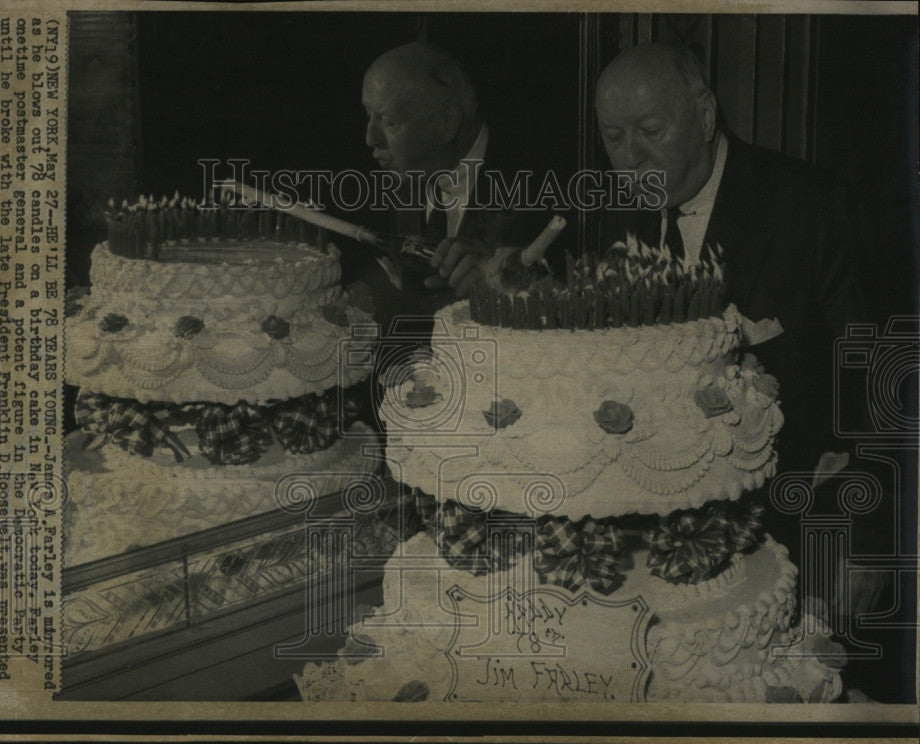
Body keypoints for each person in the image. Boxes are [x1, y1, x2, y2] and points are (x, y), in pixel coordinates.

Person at [594, 43, 901, 699]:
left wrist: (871, 529)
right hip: (658, 543)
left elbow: (880, 377)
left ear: (705, 115)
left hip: (797, 532)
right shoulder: (615, 214)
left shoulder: (813, 205)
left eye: (652, 132)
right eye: (614, 137)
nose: (632, 157)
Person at [357, 41, 545, 331]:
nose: (370, 138)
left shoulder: (542, 191)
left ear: (447, 121)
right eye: (369, 115)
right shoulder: (390, 178)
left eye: (389, 122)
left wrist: (503, 288)